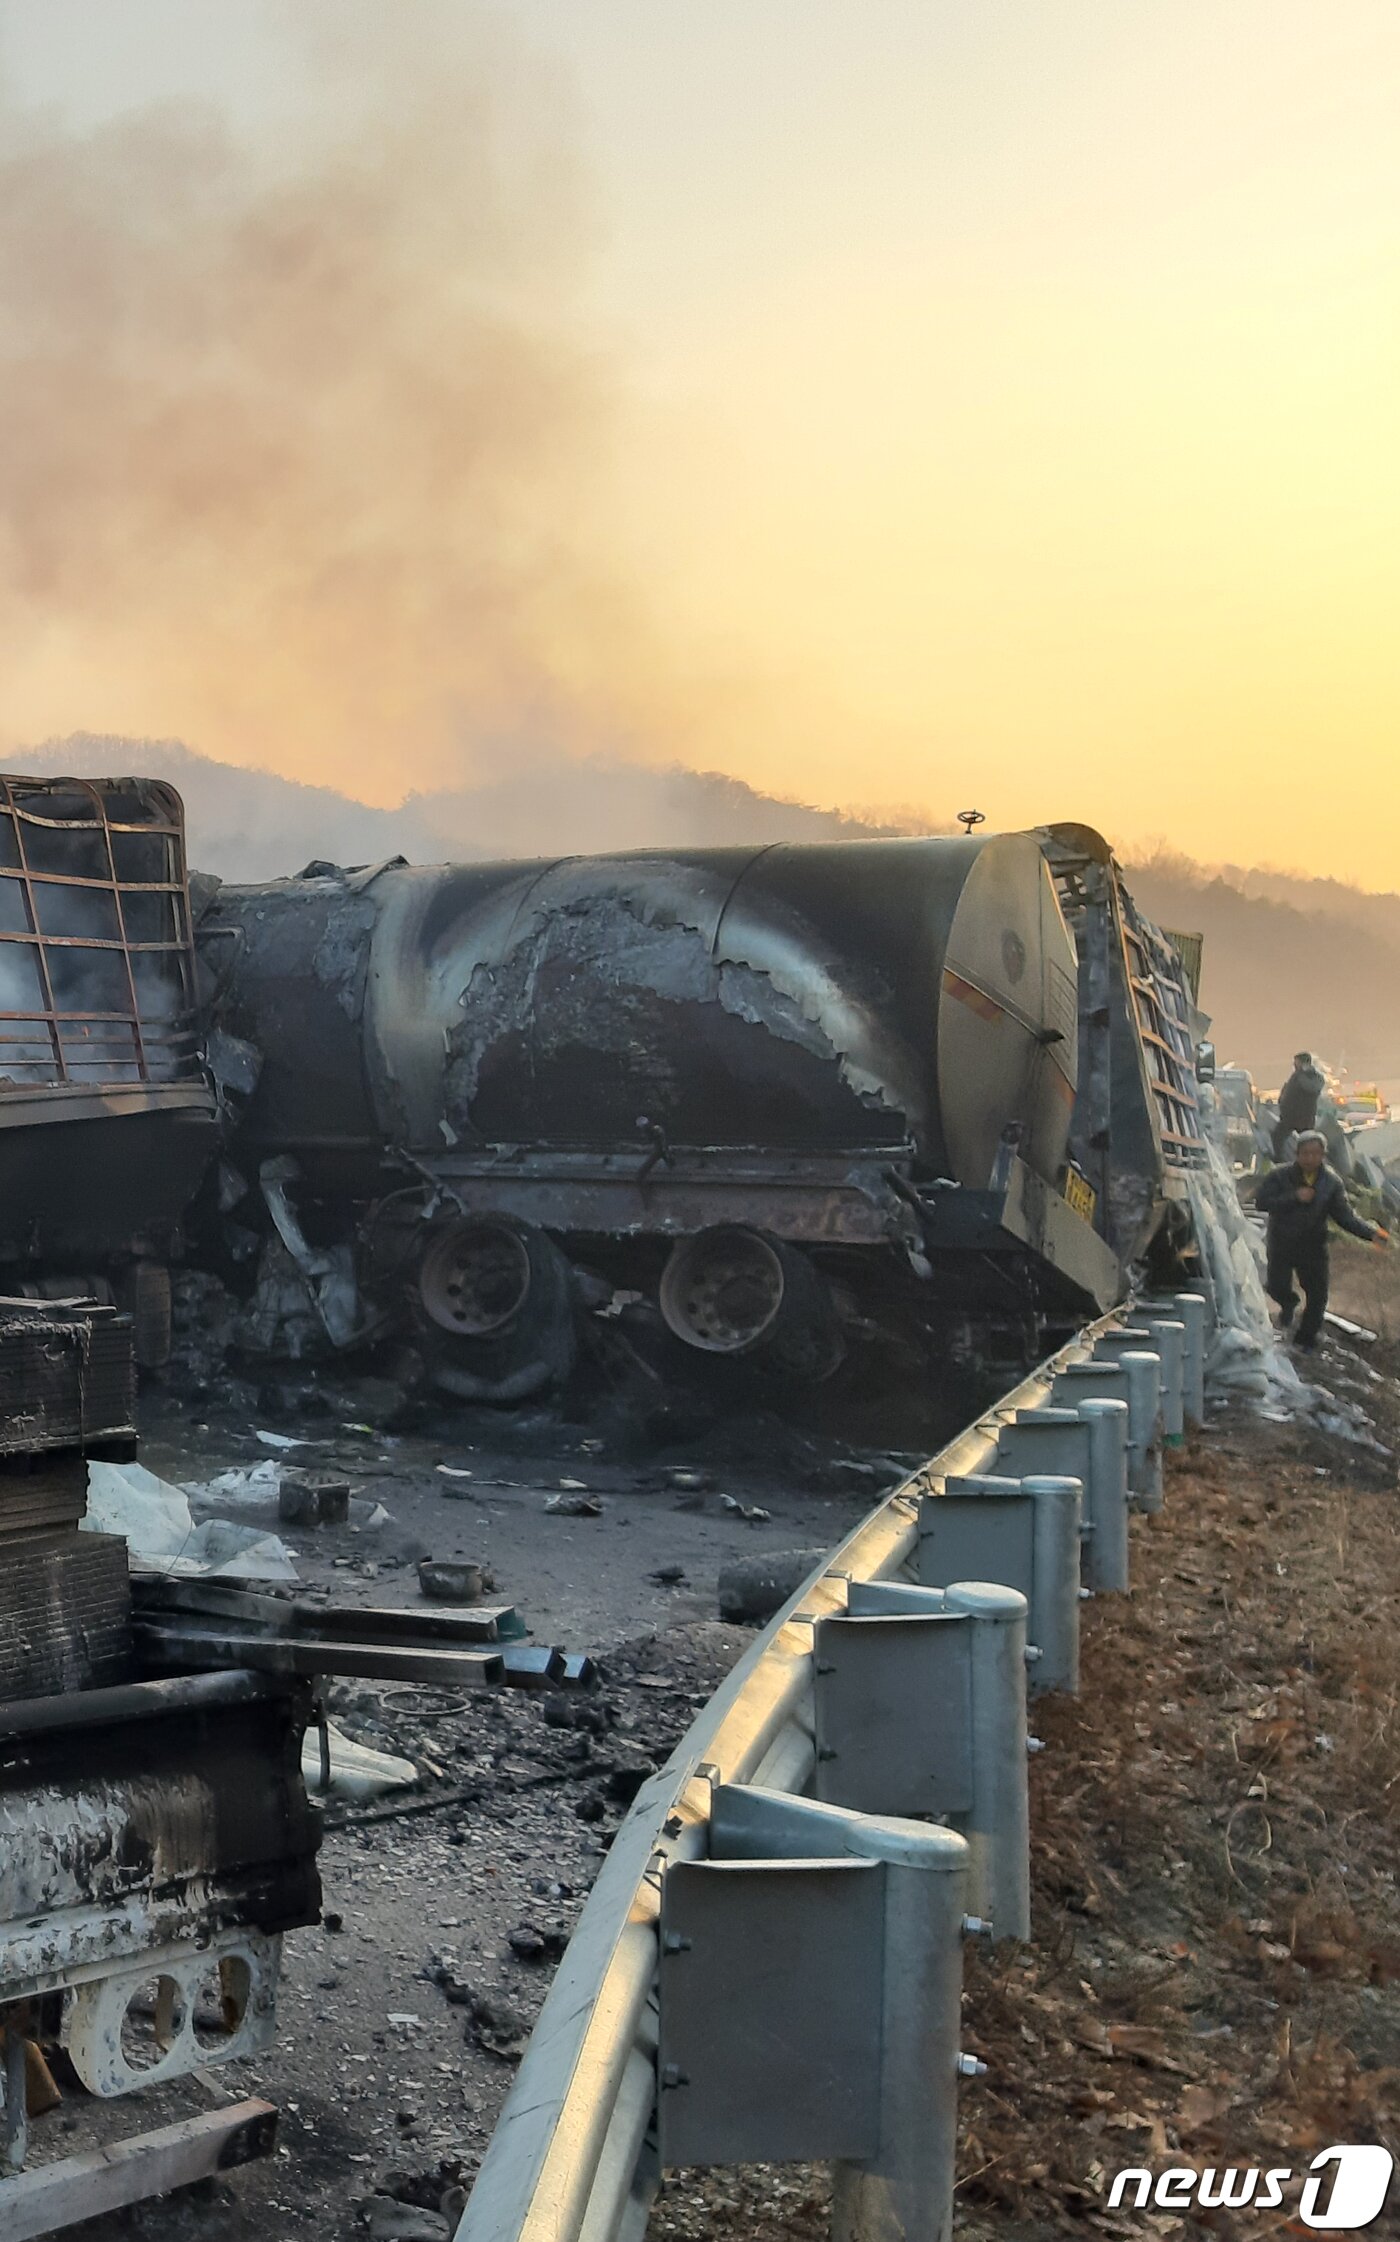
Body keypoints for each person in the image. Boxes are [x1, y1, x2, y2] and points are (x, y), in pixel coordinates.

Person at [1255, 1130, 1388, 1349]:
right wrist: (1294, 1197)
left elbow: (1344, 1217)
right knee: (1277, 1286)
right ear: (1297, 1154)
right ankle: (1288, 1303)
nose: (1310, 1159)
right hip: (1282, 1243)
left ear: (1323, 1155)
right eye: (1305, 1153)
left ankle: (1305, 1341)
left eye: (1315, 1154)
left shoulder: (1331, 1183)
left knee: (1317, 1297)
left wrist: (1371, 1234)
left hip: (1313, 1246)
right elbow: (1262, 1202)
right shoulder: (1280, 1176)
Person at [1272, 1051, 1326, 1161]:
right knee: (1280, 1137)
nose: (1294, 1065)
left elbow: (1306, 1089)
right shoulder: (1303, 1076)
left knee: (1282, 1138)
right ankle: (1288, 1160)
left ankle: (1298, 1161)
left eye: (1296, 1062)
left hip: (1298, 1117)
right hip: (1296, 1117)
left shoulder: (1305, 1077)